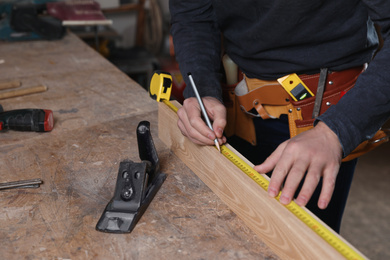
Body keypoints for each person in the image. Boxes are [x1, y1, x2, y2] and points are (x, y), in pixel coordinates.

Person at [169, 0, 390, 232]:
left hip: (320, 123)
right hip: (232, 106)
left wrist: (338, 130)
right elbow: (192, 12)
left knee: (304, 246)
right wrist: (203, 91)